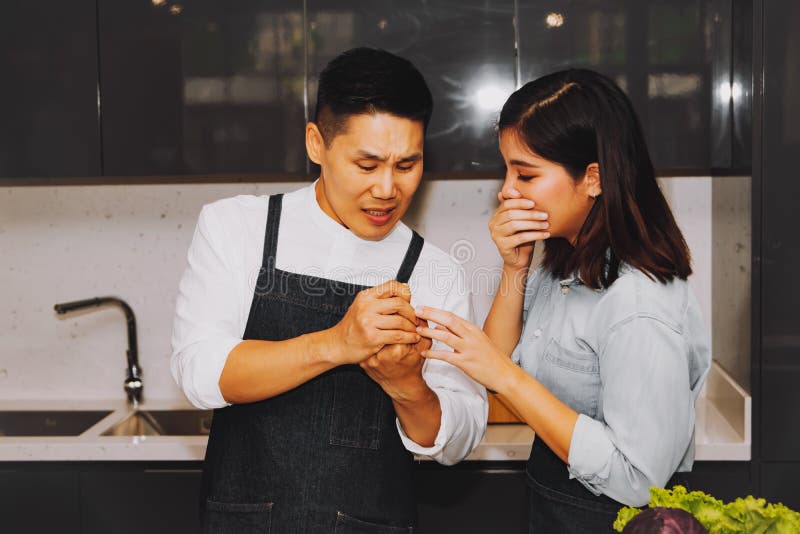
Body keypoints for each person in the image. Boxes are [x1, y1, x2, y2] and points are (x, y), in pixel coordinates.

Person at [170, 47, 487, 533]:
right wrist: (337, 344)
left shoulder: (435, 271)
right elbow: (199, 373)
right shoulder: (238, 227)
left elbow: (459, 438)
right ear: (316, 144)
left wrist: (408, 387)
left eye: (407, 165)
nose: (387, 189)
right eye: (367, 165)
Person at [414, 68, 711, 533]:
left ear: (593, 178)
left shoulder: (638, 302)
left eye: (525, 173)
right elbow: (495, 367)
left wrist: (508, 378)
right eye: (506, 169)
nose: (506, 190)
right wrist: (514, 267)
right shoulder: (566, 265)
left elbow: (637, 481)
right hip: (556, 505)